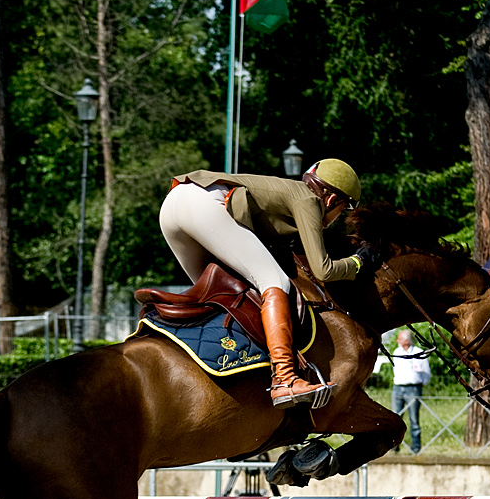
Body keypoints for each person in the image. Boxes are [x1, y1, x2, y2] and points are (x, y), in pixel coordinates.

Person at [159, 160, 382, 407]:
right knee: (275, 282)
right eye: (343, 210)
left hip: (173, 203)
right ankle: (285, 379)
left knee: (219, 292)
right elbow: (324, 269)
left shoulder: (291, 195)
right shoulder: (309, 200)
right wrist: (358, 262)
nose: (338, 218)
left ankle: (224, 364)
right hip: (202, 202)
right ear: (331, 200)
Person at [390, 330, 431, 454]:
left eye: (400, 339)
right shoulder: (396, 352)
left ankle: (415, 447)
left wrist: (419, 384)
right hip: (398, 388)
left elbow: (426, 372)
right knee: (395, 418)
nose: (398, 341)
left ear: (407, 341)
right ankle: (394, 445)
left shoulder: (418, 352)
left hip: (413, 388)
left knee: (414, 419)